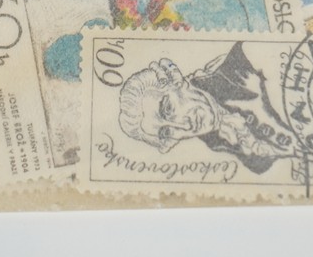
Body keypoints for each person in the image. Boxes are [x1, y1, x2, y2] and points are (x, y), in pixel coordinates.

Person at [117, 43, 300, 174]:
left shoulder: (239, 65)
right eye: (167, 132)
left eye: (168, 108)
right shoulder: (219, 144)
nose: (183, 126)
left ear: (175, 81)